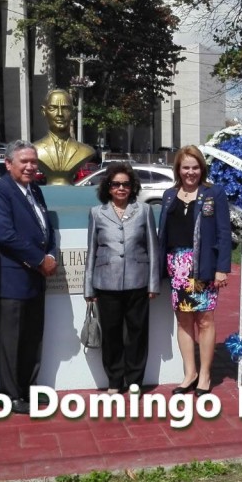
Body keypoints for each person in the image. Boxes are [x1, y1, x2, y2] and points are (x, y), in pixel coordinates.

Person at [0, 141, 57, 414]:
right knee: (11, 340)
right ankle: (11, 395)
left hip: (36, 280)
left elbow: (45, 228)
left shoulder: (34, 189)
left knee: (32, 337)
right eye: (24, 161)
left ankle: (29, 389)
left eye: (33, 162)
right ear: (8, 164)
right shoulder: (1, 191)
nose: (30, 166)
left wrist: (50, 254)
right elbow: (5, 234)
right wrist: (40, 260)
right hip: (12, 279)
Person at [158, 145, 231, 396]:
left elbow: (223, 233)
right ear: (178, 169)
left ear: (202, 169)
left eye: (195, 167)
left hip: (203, 265)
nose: (191, 172)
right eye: (185, 167)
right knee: (184, 320)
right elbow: (162, 234)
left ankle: (206, 374)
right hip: (177, 265)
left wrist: (222, 268)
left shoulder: (214, 193)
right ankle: (190, 373)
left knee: (205, 319)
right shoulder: (169, 195)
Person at [84, 163, 161, 392]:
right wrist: (89, 288)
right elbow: (92, 251)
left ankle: (135, 381)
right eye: (116, 184)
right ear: (108, 187)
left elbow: (153, 248)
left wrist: (154, 283)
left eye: (125, 184)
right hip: (106, 283)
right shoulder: (97, 213)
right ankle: (115, 381)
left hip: (138, 281)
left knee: (137, 334)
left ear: (132, 187)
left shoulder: (144, 211)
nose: (120, 188)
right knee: (111, 334)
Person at [33, 89, 96, 185]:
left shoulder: (86, 151)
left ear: (73, 113)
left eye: (65, 108)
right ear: (43, 111)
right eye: (53, 108)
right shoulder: (34, 150)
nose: (59, 114)